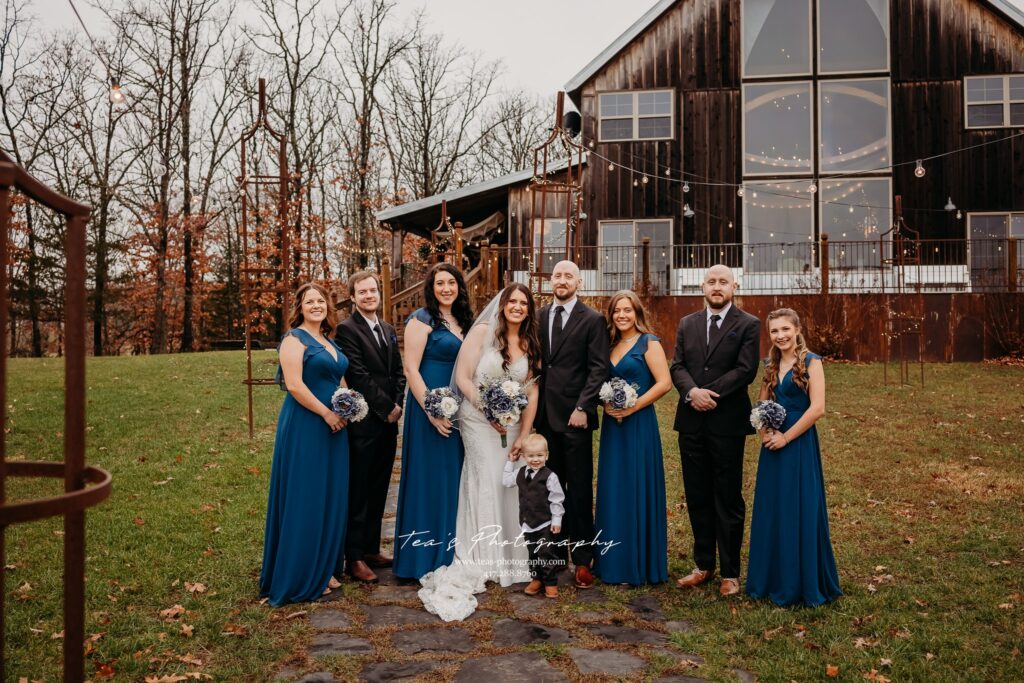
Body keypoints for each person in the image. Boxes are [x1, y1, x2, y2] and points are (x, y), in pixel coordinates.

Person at [418, 283, 542, 620]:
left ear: (529, 309)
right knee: (486, 479)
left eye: (523, 303)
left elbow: (532, 390)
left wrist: (525, 433)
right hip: (476, 419)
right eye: (511, 301)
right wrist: (487, 409)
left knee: (511, 485)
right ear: (501, 305)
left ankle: (513, 559)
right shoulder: (484, 331)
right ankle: (485, 557)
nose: (517, 307)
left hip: (513, 425)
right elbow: (462, 377)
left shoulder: (530, 341)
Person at [670, 264, 760, 597]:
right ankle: (703, 564)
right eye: (711, 282)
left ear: (734, 286)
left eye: (723, 282)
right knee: (697, 494)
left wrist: (710, 394)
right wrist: (691, 392)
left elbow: (746, 369)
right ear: (702, 287)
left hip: (727, 422)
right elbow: (677, 365)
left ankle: (731, 572)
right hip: (691, 421)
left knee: (728, 496)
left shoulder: (748, 324)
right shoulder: (686, 324)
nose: (717, 286)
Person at [260, 282, 350, 606]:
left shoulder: (328, 340)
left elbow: (339, 379)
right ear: (300, 308)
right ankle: (301, 574)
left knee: (329, 495)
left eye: (320, 301)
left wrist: (350, 404)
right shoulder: (293, 339)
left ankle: (323, 567)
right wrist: (327, 413)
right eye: (309, 302)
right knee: (306, 496)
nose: (316, 306)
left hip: (335, 428)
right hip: (306, 426)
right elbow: (295, 386)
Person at [746, 308, 842, 606]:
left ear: (798, 329)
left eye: (786, 329)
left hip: (798, 444)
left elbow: (818, 408)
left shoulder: (811, 362)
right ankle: (770, 579)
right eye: (775, 331)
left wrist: (786, 436)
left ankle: (802, 582)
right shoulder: (770, 364)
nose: (781, 336)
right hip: (772, 444)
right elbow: (762, 401)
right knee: (773, 508)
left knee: (798, 506)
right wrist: (765, 433)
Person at [392, 263, 473, 580]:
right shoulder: (421, 320)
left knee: (452, 478)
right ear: (431, 287)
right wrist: (432, 410)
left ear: (459, 287)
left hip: (459, 408)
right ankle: (420, 557)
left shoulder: (464, 321)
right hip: (429, 408)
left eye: (451, 283)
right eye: (440, 283)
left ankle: (449, 550)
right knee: (428, 479)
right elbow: (411, 369)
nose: (446, 289)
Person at [537, 260, 609, 589]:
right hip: (544, 420)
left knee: (578, 492)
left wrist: (584, 406)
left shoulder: (592, 320)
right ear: (551, 281)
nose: (562, 280)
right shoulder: (538, 316)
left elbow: (598, 368)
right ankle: (551, 561)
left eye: (568, 276)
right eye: (557, 275)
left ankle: (582, 560)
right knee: (549, 491)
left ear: (579, 281)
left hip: (575, 419)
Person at [594, 290, 671, 586]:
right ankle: (612, 561)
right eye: (617, 311)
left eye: (627, 310)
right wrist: (607, 404)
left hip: (638, 423)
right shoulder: (609, 343)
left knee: (635, 485)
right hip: (613, 426)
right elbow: (599, 382)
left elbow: (665, 383)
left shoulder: (648, 342)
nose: (622, 315)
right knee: (614, 488)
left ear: (637, 313)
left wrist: (632, 406)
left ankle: (637, 562)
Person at [334, 271, 405, 584]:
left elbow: (398, 373)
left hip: (389, 422)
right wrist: (386, 407)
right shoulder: (347, 330)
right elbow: (359, 375)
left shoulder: (388, 329)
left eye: (372, 290)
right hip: (365, 423)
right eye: (361, 292)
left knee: (380, 486)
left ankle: (373, 548)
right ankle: (355, 556)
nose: (368, 295)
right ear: (353, 297)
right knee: (360, 488)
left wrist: (399, 402)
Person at [503, 433, 565, 598]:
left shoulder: (550, 476)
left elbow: (557, 499)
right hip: (526, 522)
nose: (535, 459)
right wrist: (510, 462)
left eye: (540, 455)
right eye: (531, 456)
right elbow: (506, 481)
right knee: (533, 552)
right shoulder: (520, 472)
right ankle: (536, 578)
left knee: (546, 552)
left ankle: (550, 582)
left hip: (545, 522)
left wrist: (556, 520)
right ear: (523, 456)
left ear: (547, 455)